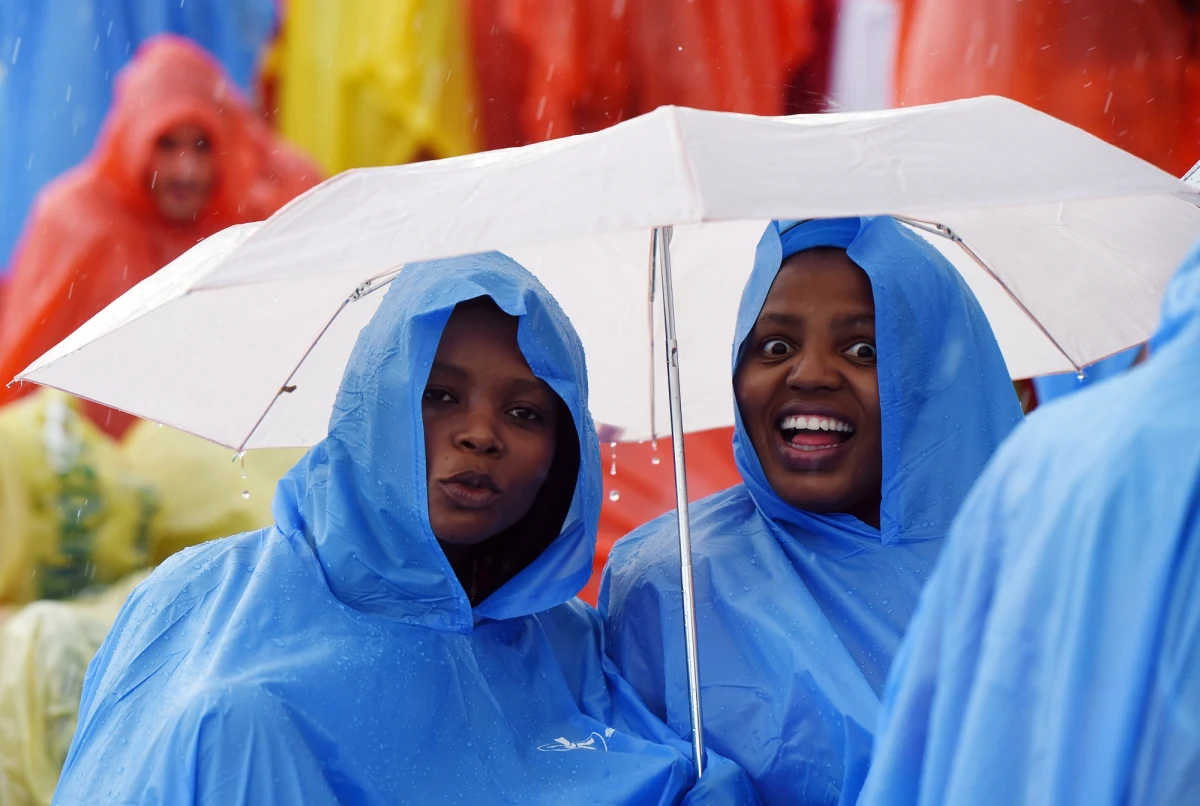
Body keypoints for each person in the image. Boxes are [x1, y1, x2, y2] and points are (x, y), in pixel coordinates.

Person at [53, 252, 757, 804]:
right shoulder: (197, 595)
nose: (480, 434)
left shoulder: (569, 645)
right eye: (438, 395)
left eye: (524, 413)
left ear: (564, 451)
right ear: (371, 404)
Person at [601, 217, 1023, 804]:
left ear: (931, 379)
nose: (812, 374)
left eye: (864, 349)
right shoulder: (670, 583)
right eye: (776, 346)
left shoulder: (1040, 566)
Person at [857, 243, 1200, 804]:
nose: (814, 374)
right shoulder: (1040, 467)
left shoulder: (1042, 463)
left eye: (867, 349)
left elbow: (920, 760)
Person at [0, 34, 319, 438]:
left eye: (202, 145)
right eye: (166, 144)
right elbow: (20, 390)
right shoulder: (75, 222)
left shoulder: (246, 220)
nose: (186, 170)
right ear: (133, 140)